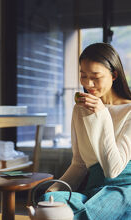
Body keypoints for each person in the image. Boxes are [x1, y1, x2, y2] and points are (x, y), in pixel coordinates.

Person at [42, 43, 131, 220]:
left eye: (96, 77)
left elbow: (112, 170)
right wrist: (52, 191)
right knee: (51, 200)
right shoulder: (80, 110)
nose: (88, 84)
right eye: (83, 76)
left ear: (114, 75)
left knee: (84, 213)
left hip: (123, 188)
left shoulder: (129, 111)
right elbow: (79, 164)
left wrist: (102, 115)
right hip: (93, 189)